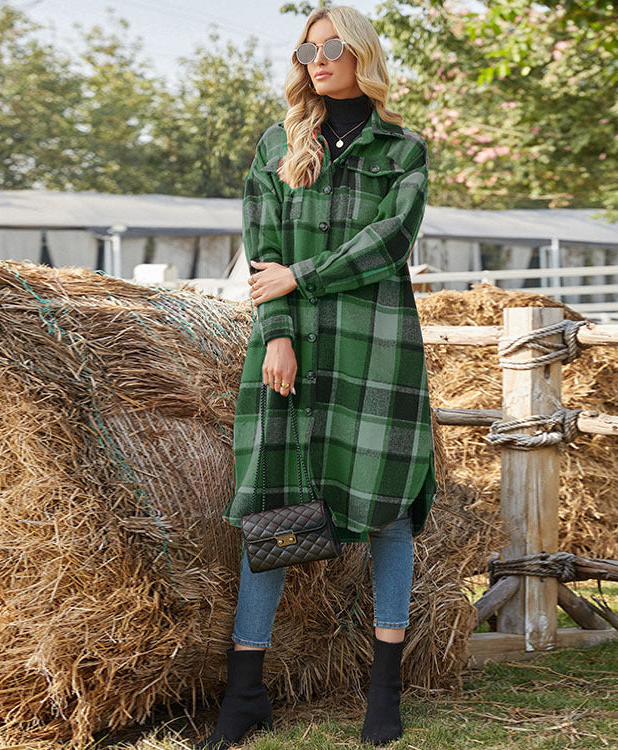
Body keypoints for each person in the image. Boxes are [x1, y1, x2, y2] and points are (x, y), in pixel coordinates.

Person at [197, 5, 437, 749]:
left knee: (388, 506)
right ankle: (245, 697)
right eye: (307, 48)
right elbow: (262, 264)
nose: (318, 58)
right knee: (273, 506)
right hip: (291, 350)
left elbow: (388, 242)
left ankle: (384, 692)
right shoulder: (278, 145)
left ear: (360, 52)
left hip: (376, 347)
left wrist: (302, 276)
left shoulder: (402, 150)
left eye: (332, 46)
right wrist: (276, 332)